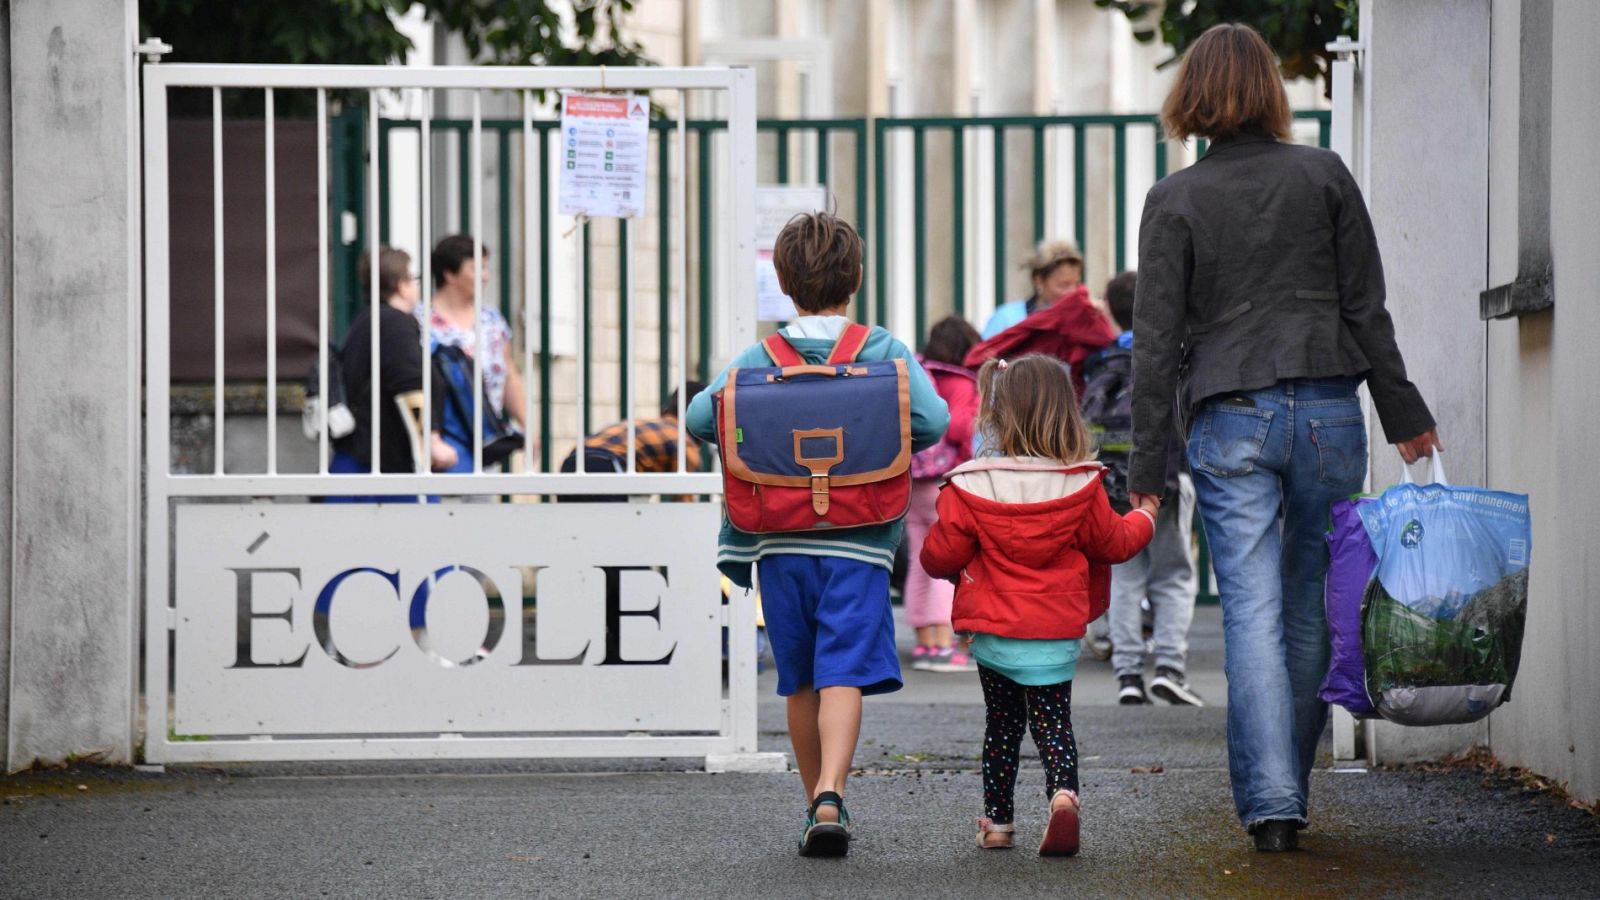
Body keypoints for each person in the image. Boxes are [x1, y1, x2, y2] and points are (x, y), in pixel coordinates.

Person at [1129, 24, 1442, 853]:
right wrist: (1405, 415)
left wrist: (1147, 471)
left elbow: (1155, 346)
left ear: (1191, 97)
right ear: (1270, 89)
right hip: (1333, 410)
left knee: (1252, 611)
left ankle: (1272, 807)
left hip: (1232, 415)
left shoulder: (1176, 200)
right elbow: (1364, 310)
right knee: (1309, 608)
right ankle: (1286, 790)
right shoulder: (1325, 175)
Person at [686, 212, 950, 858]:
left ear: (782, 281)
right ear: (855, 278)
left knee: (798, 676)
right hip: (857, 538)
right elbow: (934, 420)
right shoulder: (881, 349)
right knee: (845, 671)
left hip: (777, 540)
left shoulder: (760, 358)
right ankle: (833, 789)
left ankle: (816, 805)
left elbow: (701, 416)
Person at [920, 355, 1156, 856]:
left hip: (995, 630)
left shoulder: (970, 484)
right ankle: (1064, 796)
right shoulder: (1082, 484)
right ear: (1065, 412)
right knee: (1054, 722)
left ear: (998, 413)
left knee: (1002, 726)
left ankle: (999, 824)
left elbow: (940, 557)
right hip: (1055, 629)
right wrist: (1147, 514)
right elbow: (1114, 543)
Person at [1089, 272, 1202, 707]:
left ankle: (1128, 675)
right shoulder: (1175, 354)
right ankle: (1170, 668)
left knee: (1125, 577)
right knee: (1173, 574)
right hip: (1170, 481)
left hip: (1114, 485)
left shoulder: (1105, 365)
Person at [330, 246, 458, 489]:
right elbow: (409, 385)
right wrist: (430, 443)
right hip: (385, 467)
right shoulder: (395, 323)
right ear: (402, 285)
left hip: (361, 457)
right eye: (414, 279)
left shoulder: (367, 319)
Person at [905, 316, 981, 673]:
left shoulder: (918, 374)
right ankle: (942, 642)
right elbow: (960, 427)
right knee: (945, 560)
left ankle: (923, 641)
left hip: (910, 479)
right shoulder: (960, 382)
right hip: (942, 481)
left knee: (920, 560)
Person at [423, 235, 529, 430]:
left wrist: (526, 424)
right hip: (439, 440)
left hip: (486, 441)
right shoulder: (419, 321)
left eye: (485, 268)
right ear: (450, 274)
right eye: (476, 268)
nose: (485, 275)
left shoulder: (491, 319)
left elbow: (509, 372)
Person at [556, 382, 706, 502]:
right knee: (616, 533)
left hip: (573, 463)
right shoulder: (682, 440)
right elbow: (685, 500)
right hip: (606, 467)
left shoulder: (648, 425)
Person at [981, 240, 1087, 339]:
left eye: (1077, 284)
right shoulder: (1006, 319)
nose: (1073, 292)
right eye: (1063, 285)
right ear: (1038, 281)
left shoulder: (1084, 322)